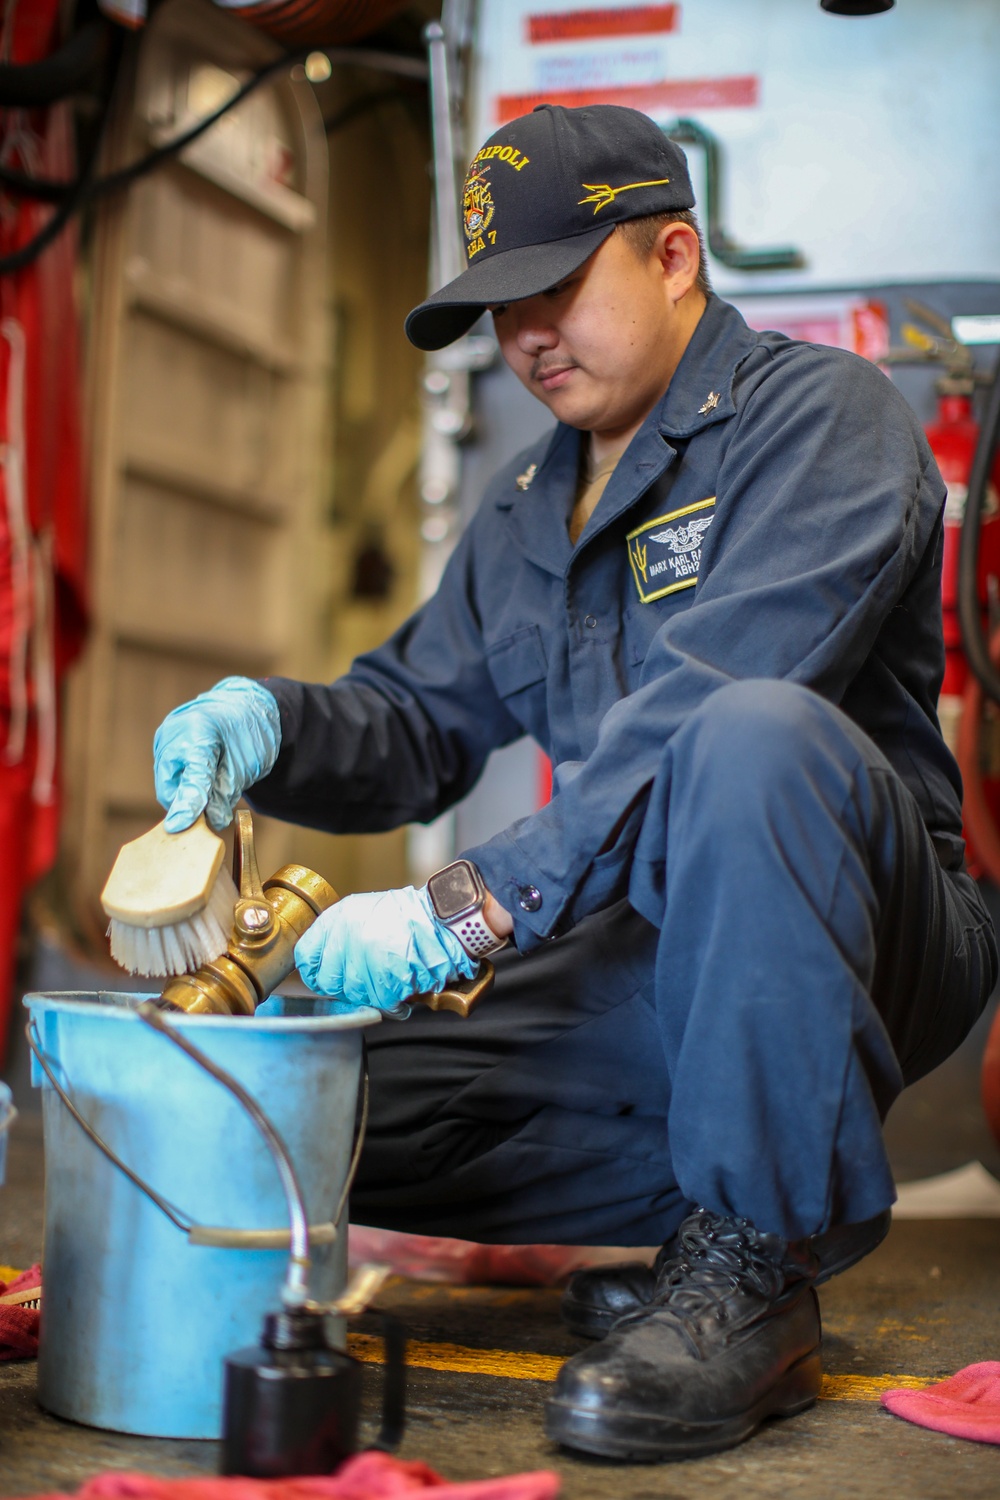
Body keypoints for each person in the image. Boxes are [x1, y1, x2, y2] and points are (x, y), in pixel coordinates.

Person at [151, 104, 997, 1461]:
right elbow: (415, 720)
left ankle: (751, 1262)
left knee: (750, 738)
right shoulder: (525, 506)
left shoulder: (821, 419)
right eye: (500, 307)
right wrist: (270, 725)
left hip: (859, 937)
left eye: (553, 286)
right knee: (301, 1108)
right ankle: (704, 1210)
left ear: (673, 257)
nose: (527, 335)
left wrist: (466, 907)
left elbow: (720, 699)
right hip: (638, 957)